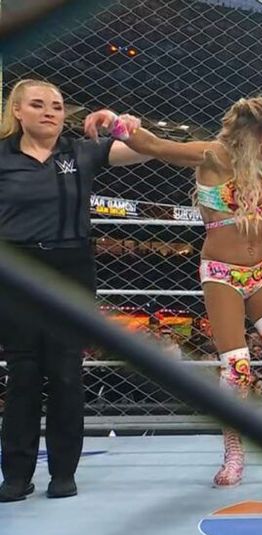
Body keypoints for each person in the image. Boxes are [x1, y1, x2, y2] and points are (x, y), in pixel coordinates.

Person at [83, 97, 262, 488]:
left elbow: (249, 216)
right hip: (222, 274)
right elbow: (156, 146)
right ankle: (234, 452)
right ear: (254, 134)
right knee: (237, 367)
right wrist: (117, 122)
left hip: (261, 272)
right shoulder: (213, 155)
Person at [0, 79, 151, 501]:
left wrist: (124, 126)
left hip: (71, 265)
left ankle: (63, 472)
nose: (50, 111)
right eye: (38, 104)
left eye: (57, 105)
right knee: (23, 373)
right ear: (17, 111)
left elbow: (145, 151)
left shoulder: (80, 150)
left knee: (66, 371)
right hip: (17, 270)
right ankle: (16, 475)